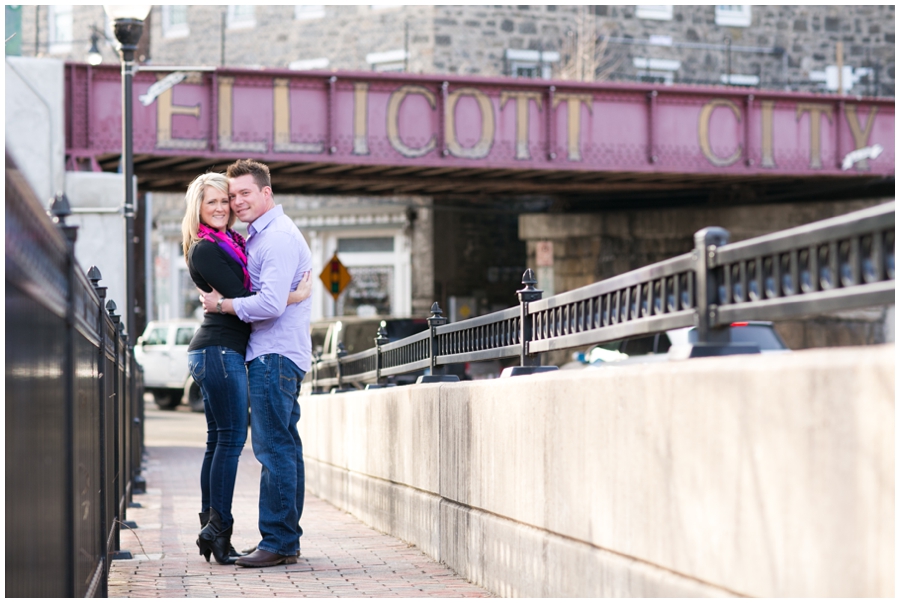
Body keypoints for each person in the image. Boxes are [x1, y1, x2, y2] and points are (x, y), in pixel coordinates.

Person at [181, 172, 310, 565]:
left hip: (230, 350)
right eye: (215, 201)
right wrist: (294, 295)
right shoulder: (206, 248)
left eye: (230, 198)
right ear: (197, 209)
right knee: (231, 443)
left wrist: (272, 299)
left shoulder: (239, 243)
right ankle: (219, 529)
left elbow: (252, 300)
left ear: (264, 193)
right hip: (219, 351)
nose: (226, 206)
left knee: (224, 443)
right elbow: (250, 299)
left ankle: (215, 528)